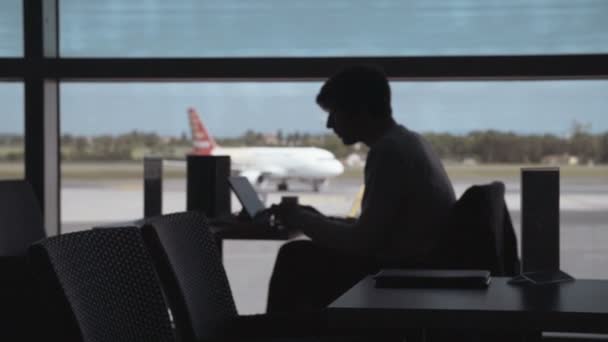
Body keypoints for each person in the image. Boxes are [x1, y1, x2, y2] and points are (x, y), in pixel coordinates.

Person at [266, 65, 456, 313]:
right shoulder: (409, 142)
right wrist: (317, 220)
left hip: (401, 273)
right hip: (417, 265)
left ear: (361, 110)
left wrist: (303, 220)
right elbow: (377, 229)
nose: (328, 124)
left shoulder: (389, 152)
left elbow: (363, 242)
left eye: (334, 112)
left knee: (293, 257)